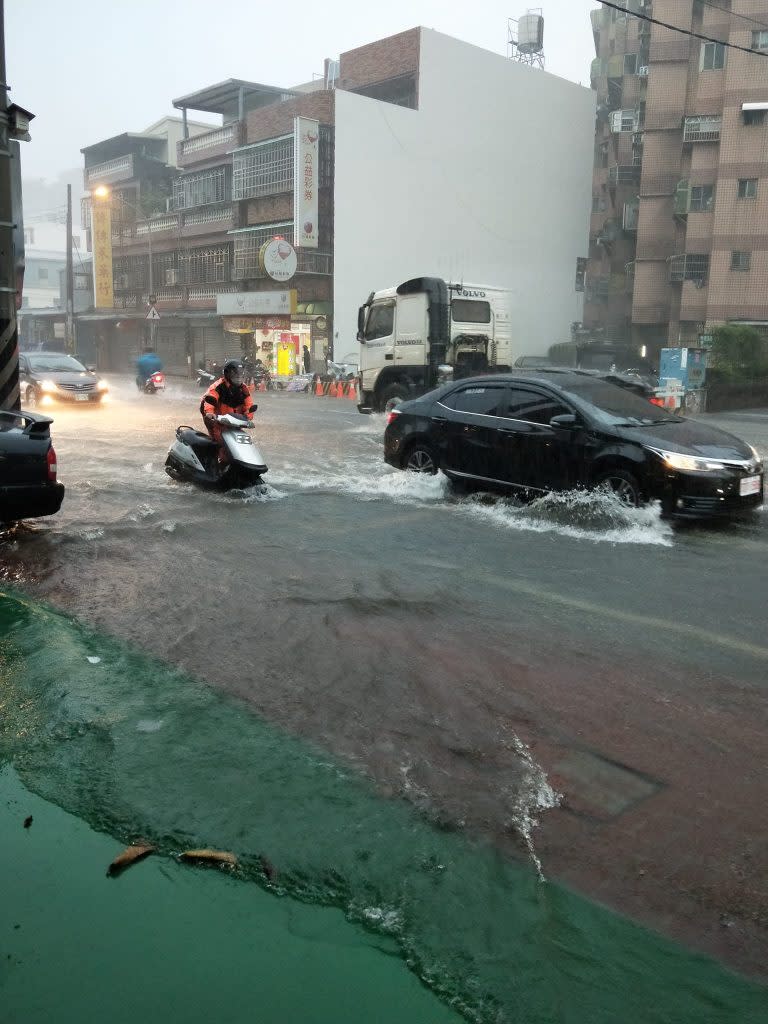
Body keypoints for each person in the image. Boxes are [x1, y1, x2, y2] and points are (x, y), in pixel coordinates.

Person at [200, 359, 256, 461]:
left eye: (240, 375)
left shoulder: (244, 389)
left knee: (240, 441)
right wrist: (210, 413)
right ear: (227, 374)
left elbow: (249, 405)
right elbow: (209, 400)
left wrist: (249, 417)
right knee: (220, 440)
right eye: (235, 375)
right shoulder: (217, 386)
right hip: (217, 420)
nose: (238, 378)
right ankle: (217, 463)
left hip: (235, 420)